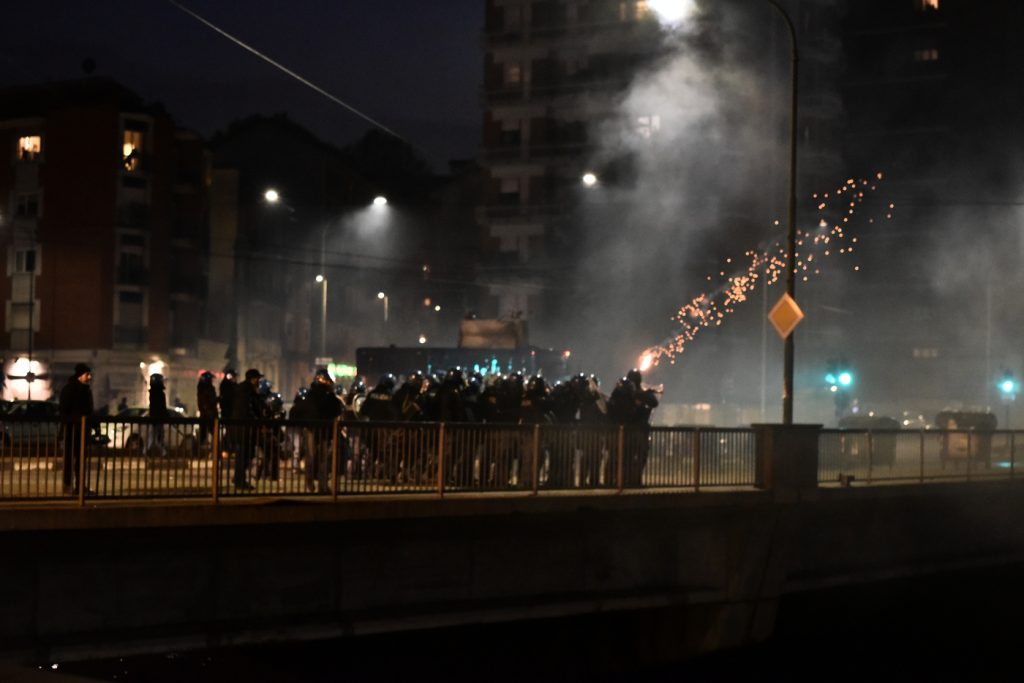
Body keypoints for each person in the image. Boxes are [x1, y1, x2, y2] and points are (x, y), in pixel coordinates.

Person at [59, 363, 94, 495]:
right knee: (71, 459)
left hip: (80, 429)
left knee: (79, 459)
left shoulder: (84, 390)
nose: (89, 377)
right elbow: (65, 410)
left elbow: (89, 411)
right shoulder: (71, 390)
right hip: (72, 429)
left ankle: (78, 486)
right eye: (87, 374)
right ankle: (70, 486)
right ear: (80, 375)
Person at [229, 368, 264, 490]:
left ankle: (239, 478)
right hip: (244, 429)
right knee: (244, 455)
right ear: (253, 379)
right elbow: (247, 410)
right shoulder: (246, 391)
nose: (259, 381)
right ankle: (240, 480)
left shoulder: (246, 390)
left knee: (246, 455)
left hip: (245, 428)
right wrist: (257, 421)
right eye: (257, 379)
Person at [196, 371, 218, 449]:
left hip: (207, 414)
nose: (212, 381)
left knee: (206, 433)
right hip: (209, 415)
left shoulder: (203, 388)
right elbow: (207, 402)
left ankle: (204, 449)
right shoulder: (206, 389)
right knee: (211, 432)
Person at [148, 373, 168, 456]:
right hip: (158, 418)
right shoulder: (159, 394)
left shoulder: (153, 393)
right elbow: (161, 406)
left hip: (155, 417)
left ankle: (148, 450)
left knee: (154, 434)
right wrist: (165, 414)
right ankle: (162, 452)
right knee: (157, 435)